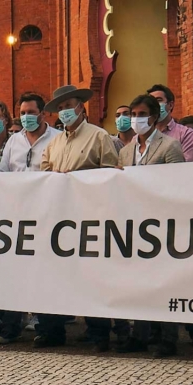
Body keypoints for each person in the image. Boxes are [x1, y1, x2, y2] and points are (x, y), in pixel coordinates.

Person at [39, 85, 120, 350]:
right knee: (54, 275)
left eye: (68, 106)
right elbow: (43, 179)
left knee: (92, 275)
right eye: (59, 108)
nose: (64, 112)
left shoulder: (99, 137)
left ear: (80, 107)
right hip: (59, 220)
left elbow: (111, 176)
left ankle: (98, 334)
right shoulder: (53, 145)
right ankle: (52, 331)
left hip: (90, 216)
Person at [0, 93, 61, 344]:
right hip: (17, 216)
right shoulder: (14, 141)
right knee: (14, 273)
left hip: (47, 215)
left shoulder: (58, 139)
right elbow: (4, 172)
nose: (27, 117)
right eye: (23, 112)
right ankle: (10, 329)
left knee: (47, 274)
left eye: (31, 112)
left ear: (43, 113)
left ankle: (50, 331)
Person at [116, 95, 187, 357]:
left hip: (162, 223)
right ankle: (140, 333)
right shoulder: (125, 151)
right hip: (134, 223)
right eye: (133, 113)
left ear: (155, 117)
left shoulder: (170, 146)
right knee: (137, 280)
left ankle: (167, 337)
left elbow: (179, 185)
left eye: (142, 113)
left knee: (164, 281)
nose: (136, 119)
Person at [148, 84, 193, 162]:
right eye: (151, 102)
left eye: (158, 100)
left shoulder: (186, 134)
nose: (154, 105)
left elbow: (185, 165)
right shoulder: (140, 136)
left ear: (170, 105)